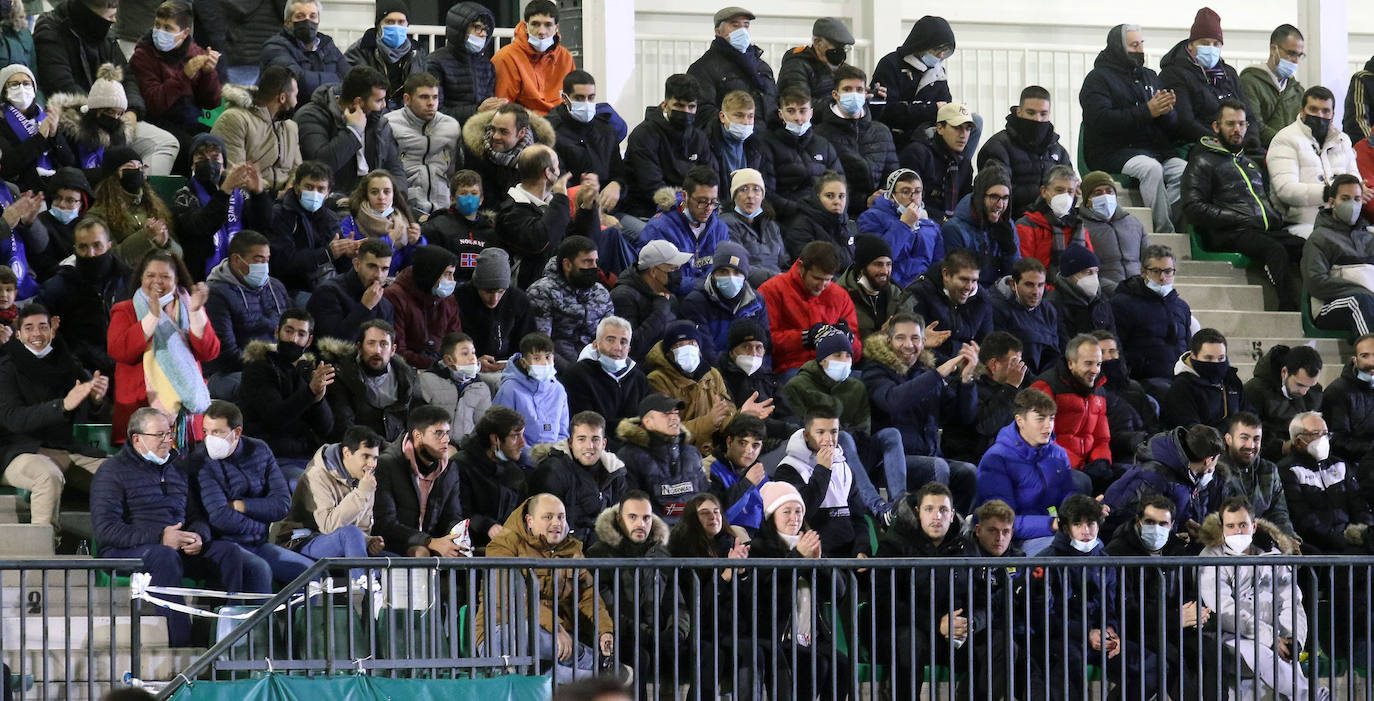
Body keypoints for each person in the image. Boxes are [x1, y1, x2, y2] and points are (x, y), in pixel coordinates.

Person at [93, 407, 269, 645]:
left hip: (175, 546)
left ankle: (220, 640)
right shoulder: (111, 471)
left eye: (169, 434)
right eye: (160, 435)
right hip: (129, 551)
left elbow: (197, 516)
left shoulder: (179, 468)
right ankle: (182, 647)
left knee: (228, 553)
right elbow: (107, 530)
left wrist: (197, 536)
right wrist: (160, 537)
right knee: (163, 556)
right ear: (137, 439)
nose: (168, 440)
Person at [475, 494, 615, 683]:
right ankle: (593, 663)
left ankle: (595, 677)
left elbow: (587, 595)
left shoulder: (572, 549)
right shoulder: (504, 544)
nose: (557, 522)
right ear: (529, 521)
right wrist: (555, 629)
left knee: (564, 674)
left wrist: (604, 631)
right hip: (504, 633)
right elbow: (512, 598)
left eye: (561, 516)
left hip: (557, 641)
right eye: (548, 517)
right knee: (522, 634)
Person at [34, 0, 182, 175]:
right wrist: (103, 113)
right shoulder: (52, 29)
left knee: (165, 142)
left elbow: (126, 76)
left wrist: (132, 111)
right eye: (111, 16)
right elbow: (60, 84)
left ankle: (140, 197)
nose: (114, 21)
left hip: (116, 117)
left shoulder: (103, 32)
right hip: (76, 118)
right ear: (92, 15)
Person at [1181, 98, 1300, 309]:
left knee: (1306, 247)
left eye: (1241, 124)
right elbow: (1193, 208)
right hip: (1229, 232)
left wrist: (1275, 218)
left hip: (1259, 229)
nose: (1237, 129)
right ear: (1216, 127)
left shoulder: (1250, 163)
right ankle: (1288, 309)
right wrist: (1236, 217)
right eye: (1230, 124)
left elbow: (1263, 203)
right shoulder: (1201, 161)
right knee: (1275, 250)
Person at [0, 304, 108, 532]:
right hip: (16, 451)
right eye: (29, 328)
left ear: (52, 331)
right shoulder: (6, 369)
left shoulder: (66, 364)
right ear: (18, 335)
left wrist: (97, 399)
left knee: (116, 472)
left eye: (42, 327)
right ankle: (43, 559)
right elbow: (13, 419)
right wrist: (62, 405)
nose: (37, 334)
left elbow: (84, 406)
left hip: (63, 449)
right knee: (47, 476)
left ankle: (117, 547)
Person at [1040, 494, 1157, 701]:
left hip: (1100, 638)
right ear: (1066, 527)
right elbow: (1045, 617)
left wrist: (1112, 630)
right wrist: (1086, 632)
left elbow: (1112, 605)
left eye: (1091, 524)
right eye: (1078, 524)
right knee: (1069, 664)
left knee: (1153, 665)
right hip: (1064, 638)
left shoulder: (1106, 561)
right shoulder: (1047, 560)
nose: (1086, 531)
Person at [1103, 494, 1216, 701]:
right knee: (1172, 661)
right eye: (1150, 522)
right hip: (1139, 631)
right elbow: (1125, 609)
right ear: (1138, 522)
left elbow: (1190, 592)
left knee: (1212, 653)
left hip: (1173, 627)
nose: (1156, 528)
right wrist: (1175, 618)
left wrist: (1199, 613)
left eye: (1163, 523)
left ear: (1172, 525)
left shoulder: (1177, 550)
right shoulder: (1117, 552)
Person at [1198, 497, 1312, 701]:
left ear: (1254, 526)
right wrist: (1269, 638)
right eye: (1231, 526)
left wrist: (1292, 638)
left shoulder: (1272, 556)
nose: (1238, 531)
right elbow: (1224, 610)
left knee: (1288, 664)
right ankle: (1318, 697)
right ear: (1222, 527)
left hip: (1275, 638)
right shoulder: (1210, 558)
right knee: (1262, 654)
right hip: (1229, 637)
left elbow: (1291, 602)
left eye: (1243, 525)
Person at [862, 312, 979, 505]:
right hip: (889, 463)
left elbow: (963, 417)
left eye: (915, 338)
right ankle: (927, 532)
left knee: (968, 473)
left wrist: (967, 380)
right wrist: (937, 374)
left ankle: (955, 528)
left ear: (923, 342)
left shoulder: (924, 372)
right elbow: (893, 401)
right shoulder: (875, 371)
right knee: (938, 467)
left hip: (930, 455)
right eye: (901, 338)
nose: (908, 345)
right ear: (889, 340)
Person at [1079, 24, 1185, 234]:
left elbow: (1171, 125)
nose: (1139, 50)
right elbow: (1101, 120)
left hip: (1154, 150)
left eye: (1141, 44)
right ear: (1118, 47)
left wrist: (1167, 111)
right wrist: (1147, 111)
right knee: (1152, 169)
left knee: (1186, 170)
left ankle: (1169, 217)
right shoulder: (1097, 79)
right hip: (1113, 151)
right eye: (1133, 45)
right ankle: (1164, 232)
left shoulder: (1150, 76)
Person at [876, 483, 978, 697]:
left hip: (954, 635)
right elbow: (884, 604)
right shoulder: (893, 546)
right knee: (910, 640)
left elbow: (982, 597)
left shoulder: (966, 548)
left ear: (952, 516)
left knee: (1001, 644)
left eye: (943, 510)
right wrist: (936, 623)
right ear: (917, 513)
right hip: (906, 633)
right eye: (929, 509)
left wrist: (971, 622)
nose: (936, 516)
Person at [187, 400, 305, 584]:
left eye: (217, 432)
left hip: (259, 544)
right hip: (225, 544)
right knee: (260, 570)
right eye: (206, 432)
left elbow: (282, 504)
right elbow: (220, 516)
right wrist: (261, 526)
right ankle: (259, 614)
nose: (209, 439)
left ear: (237, 433)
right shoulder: (200, 460)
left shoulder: (259, 450)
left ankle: (289, 614)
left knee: (311, 575)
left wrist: (242, 505)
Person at [107, 249, 216, 442]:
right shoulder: (125, 310)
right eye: (150, 275)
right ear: (141, 278)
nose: (157, 281)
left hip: (187, 420)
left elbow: (209, 352)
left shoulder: (190, 307)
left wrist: (197, 313)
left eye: (165, 276)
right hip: (142, 412)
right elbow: (119, 351)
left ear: (176, 281)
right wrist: (152, 318)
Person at [747, 479, 841, 700]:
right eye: (786, 511)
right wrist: (798, 557)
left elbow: (838, 594)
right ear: (771, 516)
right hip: (776, 638)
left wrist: (819, 565)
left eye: (798, 511)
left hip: (811, 638)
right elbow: (770, 594)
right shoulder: (760, 549)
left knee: (840, 665)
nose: (794, 517)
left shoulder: (809, 545)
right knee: (813, 664)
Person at [584, 490, 685, 695]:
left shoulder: (661, 554)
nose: (641, 524)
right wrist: (645, 633)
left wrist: (677, 631)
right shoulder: (599, 554)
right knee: (641, 656)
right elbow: (605, 606)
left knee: (697, 652)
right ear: (620, 519)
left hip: (654, 635)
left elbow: (676, 601)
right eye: (633, 517)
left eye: (646, 518)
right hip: (618, 636)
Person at [976, 388, 1091, 553]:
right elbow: (1000, 521)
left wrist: (1085, 511)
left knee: (1095, 547)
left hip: (1056, 530)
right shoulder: (996, 459)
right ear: (1020, 421)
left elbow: (1067, 497)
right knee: (1063, 553)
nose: (1048, 426)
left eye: (1051, 418)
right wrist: (1051, 524)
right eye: (1040, 419)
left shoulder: (1058, 454)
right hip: (1017, 540)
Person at [666, 492, 757, 699]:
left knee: (756, 651)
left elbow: (748, 602)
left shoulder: (730, 546)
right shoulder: (682, 552)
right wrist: (725, 575)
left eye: (716, 512)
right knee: (715, 656)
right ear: (692, 519)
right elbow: (699, 605)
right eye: (704, 513)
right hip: (698, 630)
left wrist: (741, 573)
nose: (713, 517)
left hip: (730, 629)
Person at [271, 425, 385, 571]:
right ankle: (362, 592)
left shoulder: (365, 481)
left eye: (375, 458)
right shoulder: (317, 475)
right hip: (301, 541)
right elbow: (328, 526)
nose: (371, 464)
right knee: (351, 533)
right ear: (347, 453)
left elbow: (362, 528)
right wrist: (362, 494)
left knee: (396, 563)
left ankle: (370, 588)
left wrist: (368, 541)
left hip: (340, 543)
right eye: (366, 456)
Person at [1159, 7, 1263, 152]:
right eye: (1204, 43)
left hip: (1236, 142)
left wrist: (1250, 140)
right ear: (1191, 45)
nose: (1211, 48)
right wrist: (1225, 142)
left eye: (1216, 44)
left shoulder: (1229, 73)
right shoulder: (1174, 73)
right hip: (1199, 145)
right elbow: (1185, 123)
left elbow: (1249, 116)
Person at [173, 134, 275, 282]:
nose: (208, 161)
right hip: (201, 277)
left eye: (215, 158)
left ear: (224, 165)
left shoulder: (239, 193)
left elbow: (262, 227)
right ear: (192, 165)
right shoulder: (184, 195)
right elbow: (201, 227)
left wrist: (258, 193)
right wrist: (224, 191)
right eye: (201, 158)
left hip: (243, 271)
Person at [239, 309, 335, 464]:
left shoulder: (308, 371)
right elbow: (274, 419)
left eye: (301, 334)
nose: (293, 339)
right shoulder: (258, 368)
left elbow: (326, 427)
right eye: (288, 331)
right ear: (277, 332)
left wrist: (318, 399)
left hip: (306, 453)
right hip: (270, 455)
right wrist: (310, 392)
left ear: (309, 341)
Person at [37, 217, 130, 376]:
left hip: (127, 364)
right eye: (83, 247)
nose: (91, 254)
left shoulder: (129, 280)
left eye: (97, 246)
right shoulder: (57, 288)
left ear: (109, 245)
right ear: (75, 249)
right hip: (82, 373)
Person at [772, 404, 869, 555]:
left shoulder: (844, 468)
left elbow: (858, 518)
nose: (828, 439)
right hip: (814, 562)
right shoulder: (788, 469)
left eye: (834, 432)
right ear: (806, 435)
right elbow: (804, 511)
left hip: (850, 557)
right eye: (820, 432)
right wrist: (823, 469)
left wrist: (862, 549)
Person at [294, 65, 406, 196]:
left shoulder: (379, 123)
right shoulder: (311, 116)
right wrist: (353, 131)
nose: (384, 106)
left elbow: (395, 169)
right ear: (358, 102)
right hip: (331, 200)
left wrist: (396, 200)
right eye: (379, 100)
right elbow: (319, 166)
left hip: (374, 201)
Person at [494, 144, 595, 289]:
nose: (560, 171)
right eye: (557, 166)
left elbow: (581, 244)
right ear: (548, 172)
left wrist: (587, 207)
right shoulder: (509, 213)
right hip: (530, 295)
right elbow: (540, 241)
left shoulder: (552, 207)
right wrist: (560, 197)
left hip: (563, 290)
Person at [371, 404, 465, 556]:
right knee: (421, 553)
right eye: (438, 433)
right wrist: (428, 541)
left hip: (432, 540)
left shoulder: (450, 469)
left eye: (447, 433)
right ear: (417, 435)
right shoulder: (387, 465)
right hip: (393, 542)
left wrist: (454, 540)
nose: (446, 440)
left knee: (463, 554)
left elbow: (452, 516)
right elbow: (385, 524)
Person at [203, 231, 288, 399]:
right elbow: (227, 356)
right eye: (258, 259)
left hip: (274, 364)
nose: (264, 265)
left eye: (267, 259)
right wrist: (271, 366)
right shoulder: (216, 295)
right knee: (267, 389)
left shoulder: (276, 286)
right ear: (236, 260)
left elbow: (293, 327)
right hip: (227, 373)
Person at [758, 239, 861, 376]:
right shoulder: (772, 290)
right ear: (801, 267)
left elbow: (857, 353)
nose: (822, 286)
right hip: (792, 369)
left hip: (834, 367)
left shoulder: (840, 296)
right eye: (817, 278)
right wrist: (804, 338)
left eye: (828, 280)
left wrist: (848, 339)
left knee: (864, 384)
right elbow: (764, 342)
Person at [1028, 333, 1115, 493]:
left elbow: (1101, 438)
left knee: (1123, 476)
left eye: (1098, 364)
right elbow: (1041, 440)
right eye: (1088, 364)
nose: (1095, 370)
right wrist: (1080, 466)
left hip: (1086, 465)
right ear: (1070, 363)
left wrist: (1101, 461)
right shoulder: (1044, 387)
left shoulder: (1099, 391)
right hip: (1049, 464)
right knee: (1081, 482)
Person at [1102, 424, 1223, 539]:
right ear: (1209, 460)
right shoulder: (1153, 478)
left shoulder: (1183, 472)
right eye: (1217, 458)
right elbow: (1128, 523)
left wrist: (1184, 520)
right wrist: (1171, 541)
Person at [622, 73, 716, 220]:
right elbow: (652, 187)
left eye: (691, 107)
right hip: (645, 212)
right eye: (679, 105)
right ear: (665, 105)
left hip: (692, 211)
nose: (685, 112)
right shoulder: (643, 135)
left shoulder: (699, 138)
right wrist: (688, 210)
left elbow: (709, 180)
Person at [1271, 85, 1360, 238]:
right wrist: (1329, 192)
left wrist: (1359, 191)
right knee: (1329, 242)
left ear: (1333, 115)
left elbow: (1355, 179)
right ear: (1302, 111)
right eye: (1313, 109)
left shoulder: (1343, 140)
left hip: (1343, 222)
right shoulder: (1285, 139)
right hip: (1302, 223)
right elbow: (1286, 190)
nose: (1319, 115)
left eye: (1325, 111)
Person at [1280, 411, 1374, 553]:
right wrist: (1338, 540)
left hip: (1351, 539)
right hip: (1319, 545)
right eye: (1316, 433)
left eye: (1325, 433)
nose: (1323, 438)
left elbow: (1359, 506)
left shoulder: (1340, 465)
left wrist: (1365, 534)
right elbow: (1302, 518)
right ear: (1298, 440)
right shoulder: (1288, 470)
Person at [128, 0, 221, 143]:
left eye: (167, 28)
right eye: (157, 25)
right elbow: (153, 105)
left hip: (192, 119)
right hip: (159, 121)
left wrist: (208, 74)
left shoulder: (195, 52)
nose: (159, 32)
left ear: (185, 33)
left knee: (218, 143)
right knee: (194, 147)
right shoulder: (142, 56)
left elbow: (211, 103)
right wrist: (184, 76)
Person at [529, 411, 625, 543]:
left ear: (604, 443)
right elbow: (544, 526)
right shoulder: (553, 471)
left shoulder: (615, 472)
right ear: (570, 442)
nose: (589, 446)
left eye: (595, 439)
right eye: (581, 439)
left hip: (603, 550)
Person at [978, 85, 1074, 219]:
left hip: (1054, 225)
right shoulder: (998, 147)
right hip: (1014, 224)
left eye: (1043, 114)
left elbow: (1070, 189)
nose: (1037, 119)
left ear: (1049, 114)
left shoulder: (1058, 150)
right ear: (1019, 112)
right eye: (1031, 112)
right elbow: (998, 193)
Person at [815, 64, 898, 216]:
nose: (854, 94)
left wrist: (882, 197)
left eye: (859, 90)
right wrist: (864, 201)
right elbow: (820, 182)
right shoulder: (821, 134)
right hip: (838, 214)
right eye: (847, 89)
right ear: (835, 94)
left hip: (880, 213)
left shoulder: (881, 132)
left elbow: (892, 176)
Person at [548, 70, 629, 222]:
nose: (586, 103)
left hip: (613, 211)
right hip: (574, 216)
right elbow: (558, 184)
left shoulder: (606, 129)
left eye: (591, 98)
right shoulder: (551, 133)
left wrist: (617, 185)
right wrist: (586, 197)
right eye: (579, 98)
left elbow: (620, 173)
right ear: (565, 98)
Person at [1110, 244, 1191, 394]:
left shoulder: (1182, 307)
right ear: (1143, 272)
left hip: (1178, 380)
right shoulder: (1123, 304)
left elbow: (1188, 347)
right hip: (1143, 382)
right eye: (1155, 271)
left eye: (1168, 272)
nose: (1162, 277)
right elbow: (1116, 347)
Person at [639, 165, 730, 297]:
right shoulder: (659, 228)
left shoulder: (720, 228)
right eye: (702, 201)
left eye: (713, 202)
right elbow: (658, 278)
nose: (709, 208)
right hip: (676, 299)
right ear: (685, 196)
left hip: (712, 296)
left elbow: (726, 269)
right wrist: (706, 285)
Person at [616, 393, 707, 524]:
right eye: (666, 413)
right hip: (656, 536)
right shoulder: (629, 456)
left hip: (693, 532)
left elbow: (706, 497)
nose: (675, 418)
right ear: (648, 422)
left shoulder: (691, 453)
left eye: (676, 412)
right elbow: (633, 509)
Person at [211, 66, 301, 194]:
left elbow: (298, 170)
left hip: (286, 201)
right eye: (295, 96)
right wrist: (271, 194)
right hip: (249, 199)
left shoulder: (291, 127)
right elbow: (233, 172)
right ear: (282, 98)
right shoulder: (235, 119)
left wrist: (290, 191)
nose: (297, 102)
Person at [86, 146, 181, 268]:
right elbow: (109, 258)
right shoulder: (97, 215)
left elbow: (179, 255)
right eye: (130, 167)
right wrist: (145, 237)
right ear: (112, 175)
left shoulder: (153, 206)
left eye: (140, 168)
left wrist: (165, 243)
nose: (137, 171)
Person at [266, 161, 349, 300]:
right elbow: (282, 264)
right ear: (297, 187)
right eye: (309, 187)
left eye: (320, 189)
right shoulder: (279, 214)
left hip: (324, 285)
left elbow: (340, 264)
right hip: (289, 289)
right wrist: (327, 253)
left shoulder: (330, 218)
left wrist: (348, 254)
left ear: (328, 193)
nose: (314, 193)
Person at [323, 319, 417, 442]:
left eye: (383, 344)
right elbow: (344, 425)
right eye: (371, 343)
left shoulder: (408, 378)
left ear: (393, 350)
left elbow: (416, 422)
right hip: (358, 449)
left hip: (399, 449)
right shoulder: (341, 376)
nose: (377, 351)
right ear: (359, 347)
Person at [757, 87, 843, 221]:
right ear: (781, 114)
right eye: (791, 111)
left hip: (824, 216)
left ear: (811, 113)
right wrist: (802, 211)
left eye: (803, 111)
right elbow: (767, 192)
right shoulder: (767, 144)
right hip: (786, 220)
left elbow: (840, 184)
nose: (798, 118)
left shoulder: (824, 145)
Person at [685, 6, 777, 132]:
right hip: (729, 141)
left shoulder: (761, 66)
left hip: (767, 142)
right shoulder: (703, 68)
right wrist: (738, 128)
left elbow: (773, 102)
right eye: (735, 25)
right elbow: (703, 112)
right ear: (718, 31)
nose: (742, 30)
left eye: (746, 25)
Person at [872, 15, 957, 148]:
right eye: (936, 50)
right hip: (898, 135)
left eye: (945, 51)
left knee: (973, 123)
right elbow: (889, 111)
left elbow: (946, 106)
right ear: (921, 45)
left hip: (930, 132)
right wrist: (931, 109)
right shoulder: (890, 64)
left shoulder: (938, 71)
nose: (940, 56)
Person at [941, 331, 1026, 465]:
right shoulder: (966, 386)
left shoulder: (1011, 389)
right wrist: (1010, 387)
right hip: (968, 460)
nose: (1019, 368)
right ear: (994, 365)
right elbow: (985, 426)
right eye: (1014, 362)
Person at [1303, 174, 1374, 335]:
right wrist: (1362, 291)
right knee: (1359, 302)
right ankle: (1369, 354)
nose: (1352, 204)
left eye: (1356, 199)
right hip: (1330, 306)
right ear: (1332, 202)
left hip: (1369, 301)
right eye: (1345, 198)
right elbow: (1316, 282)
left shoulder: (1370, 237)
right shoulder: (1319, 238)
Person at [528, 234, 612, 367]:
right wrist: (575, 373)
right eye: (587, 261)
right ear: (567, 264)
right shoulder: (541, 292)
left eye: (595, 261)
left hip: (596, 364)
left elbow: (610, 336)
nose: (594, 267)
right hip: (558, 368)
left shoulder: (600, 292)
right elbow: (541, 344)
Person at [449, 405, 526, 548]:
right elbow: (455, 512)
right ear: (495, 438)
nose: (523, 443)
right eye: (515, 436)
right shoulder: (460, 465)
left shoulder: (515, 472)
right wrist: (487, 526)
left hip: (506, 549)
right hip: (469, 550)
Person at [385, 72, 461, 217]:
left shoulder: (451, 126)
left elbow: (454, 170)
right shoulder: (389, 124)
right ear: (407, 99)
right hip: (403, 208)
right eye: (424, 97)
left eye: (435, 97)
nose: (431, 103)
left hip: (444, 208)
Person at [681, 240, 770, 362]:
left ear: (745, 276)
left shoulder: (756, 302)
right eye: (723, 272)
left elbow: (765, 347)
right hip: (716, 374)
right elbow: (705, 351)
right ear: (713, 274)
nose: (731, 277)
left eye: (737, 272)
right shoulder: (696, 302)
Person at [560, 316, 650, 432]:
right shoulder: (576, 375)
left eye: (623, 342)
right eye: (610, 340)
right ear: (596, 344)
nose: (618, 347)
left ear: (628, 349)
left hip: (634, 444)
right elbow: (583, 424)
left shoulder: (639, 378)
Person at [856, 168, 942, 288]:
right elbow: (877, 259)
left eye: (917, 192)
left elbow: (938, 266)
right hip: (887, 289)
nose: (913, 198)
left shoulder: (930, 226)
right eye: (906, 192)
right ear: (891, 196)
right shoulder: (871, 218)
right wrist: (904, 225)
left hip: (921, 291)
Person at [899, 248, 991, 361]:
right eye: (964, 279)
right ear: (946, 274)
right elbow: (909, 345)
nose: (969, 287)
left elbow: (985, 344)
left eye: (974, 280)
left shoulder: (981, 299)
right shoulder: (918, 294)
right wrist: (955, 365)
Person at [1217, 412, 1298, 538]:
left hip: (1265, 540)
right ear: (1229, 439)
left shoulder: (1269, 469)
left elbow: (1279, 513)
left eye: (1256, 439)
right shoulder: (1217, 470)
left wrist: (1288, 539)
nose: (1251, 446)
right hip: (1229, 541)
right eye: (1244, 438)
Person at [454, 248, 535, 371]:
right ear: (477, 286)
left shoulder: (518, 300)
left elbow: (528, 342)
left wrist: (515, 363)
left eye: (500, 292)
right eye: (488, 292)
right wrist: (471, 362)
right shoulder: (459, 298)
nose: (494, 299)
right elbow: (449, 344)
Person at [381, 245, 460, 370]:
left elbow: (456, 342)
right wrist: (436, 365)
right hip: (405, 368)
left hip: (442, 365)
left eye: (453, 274)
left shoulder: (448, 299)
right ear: (431, 272)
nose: (452, 281)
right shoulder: (394, 296)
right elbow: (396, 349)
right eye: (447, 274)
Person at [940, 163, 1019, 286]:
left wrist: (1010, 251)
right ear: (980, 197)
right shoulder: (954, 229)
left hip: (1001, 295)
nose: (1000, 205)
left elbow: (1015, 278)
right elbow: (961, 283)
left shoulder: (1007, 225)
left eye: (1005, 198)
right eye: (994, 197)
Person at [343, 0, 429, 113]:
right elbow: (357, 92)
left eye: (401, 22)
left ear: (407, 24)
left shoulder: (418, 52)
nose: (396, 27)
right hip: (373, 115)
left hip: (408, 116)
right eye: (389, 22)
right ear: (379, 25)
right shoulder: (360, 51)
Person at [491, 0, 575, 115]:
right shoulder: (506, 57)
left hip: (561, 120)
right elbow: (504, 109)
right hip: (525, 123)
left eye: (548, 25)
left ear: (556, 28)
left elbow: (574, 100)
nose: (541, 31)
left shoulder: (566, 57)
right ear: (526, 27)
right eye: (535, 24)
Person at [425, 2, 502, 124]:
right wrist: (477, 111)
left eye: (485, 29)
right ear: (460, 29)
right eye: (477, 27)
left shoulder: (487, 66)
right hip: (446, 130)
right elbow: (434, 111)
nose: (483, 34)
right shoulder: (435, 63)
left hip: (481, 129)